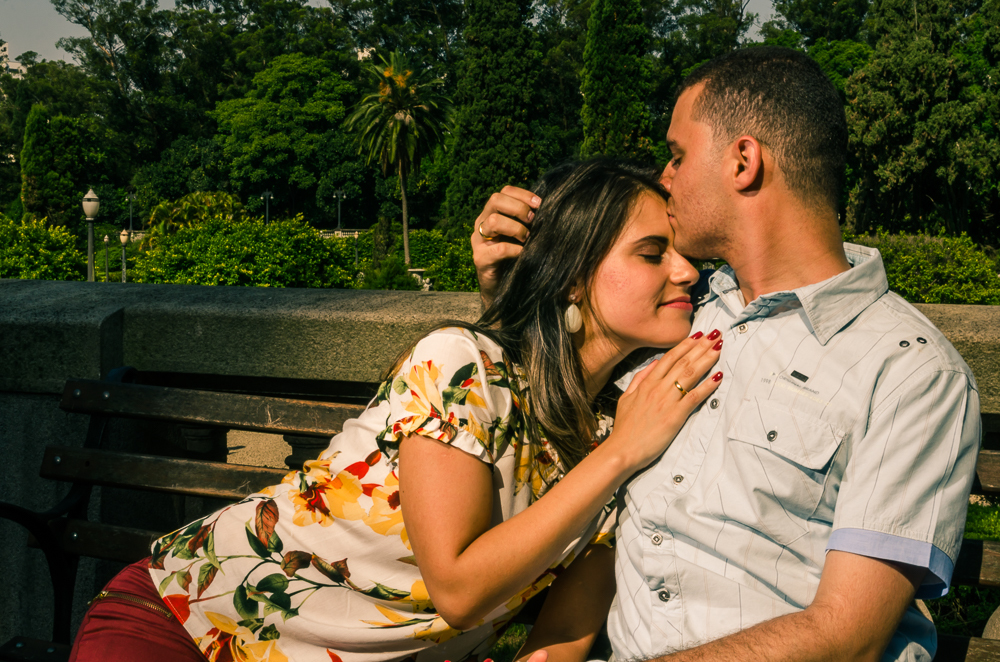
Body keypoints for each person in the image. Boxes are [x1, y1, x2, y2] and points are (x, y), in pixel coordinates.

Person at [69, 159, 726, 662]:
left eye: (688, 256)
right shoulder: (462, 363)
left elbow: (560, 638)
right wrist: (618, 456)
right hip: (187, 626)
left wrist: (619, 452)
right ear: (573, 274)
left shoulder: (628, 436)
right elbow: (460, 588)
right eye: (652, 254)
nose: (688, 274)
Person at [472, 47, 981, 661]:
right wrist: (519, 288)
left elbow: (849, 637)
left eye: (679, 155)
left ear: (744, 161)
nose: (664, 176)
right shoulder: (674, 318)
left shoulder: (909, 370)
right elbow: (544, 390)